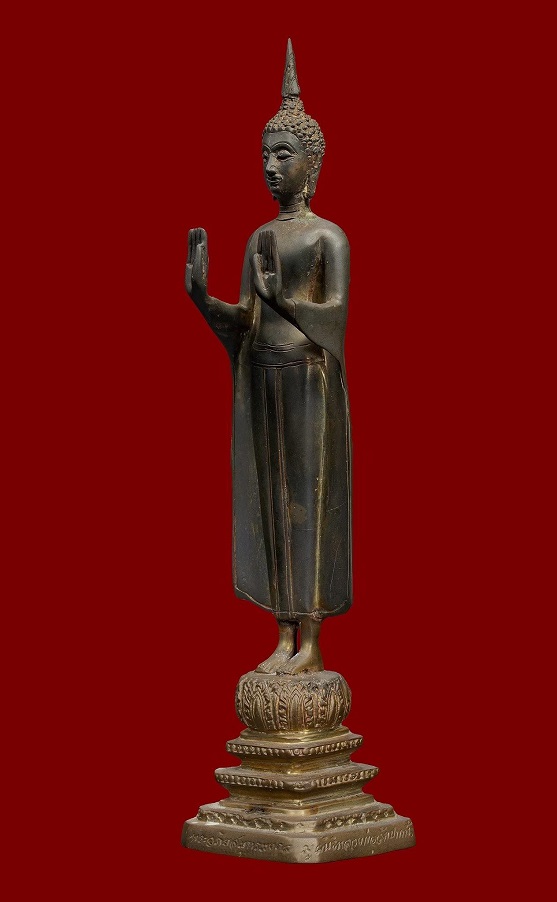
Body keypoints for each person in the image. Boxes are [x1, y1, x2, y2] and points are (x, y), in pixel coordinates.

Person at [185, 40, 351, 674]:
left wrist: (286, 301)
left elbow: (335, 317)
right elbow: (246, 323)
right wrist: (203, 300)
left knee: (309, 499)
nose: (271, 166)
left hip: (309, 379)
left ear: (312, 162)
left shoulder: (328, 237)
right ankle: (284, 633)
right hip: (264, 376)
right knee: (274, 501)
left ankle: (311, 641)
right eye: (265, 155)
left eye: (283, 154)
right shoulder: (259, 237)